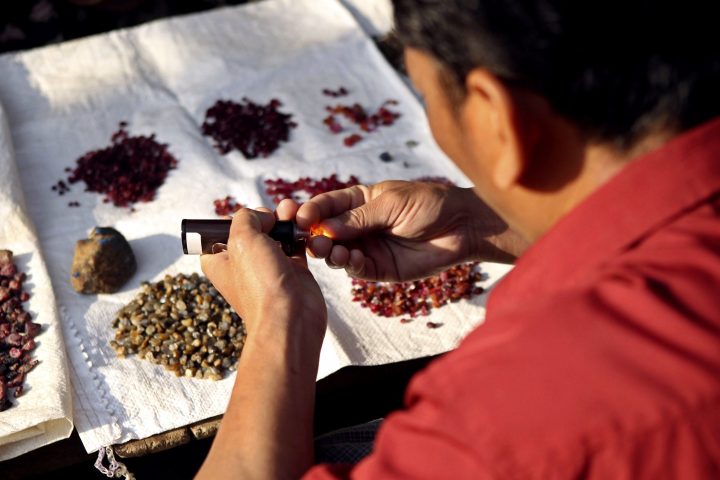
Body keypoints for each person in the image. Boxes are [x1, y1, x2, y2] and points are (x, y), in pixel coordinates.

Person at [197, 0, 720, 478]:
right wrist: (476, 221)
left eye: (425, 93)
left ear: (498, 118)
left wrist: (277, 320)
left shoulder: (516, 413)